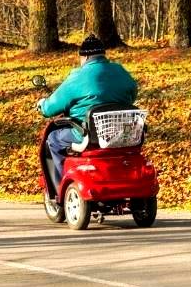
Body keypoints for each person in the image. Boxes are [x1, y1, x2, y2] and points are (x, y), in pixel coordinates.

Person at [37, 35, 138, 194]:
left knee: (53, 139)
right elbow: (132, 94)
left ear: (84, 56)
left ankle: (58, 190)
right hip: (123, 133)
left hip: (88, 135)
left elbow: (50, 109)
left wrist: (42, 104)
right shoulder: (120, 71)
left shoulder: (77, 76)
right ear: (103, 55)